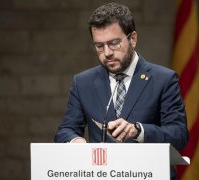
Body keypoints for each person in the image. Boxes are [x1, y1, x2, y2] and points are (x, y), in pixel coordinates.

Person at [54, 2, 189, 179]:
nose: (107, 52)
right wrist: (75, 141)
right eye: (99, 46)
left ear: (132, 39)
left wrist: (139, 131)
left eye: (114, 43)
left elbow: (179, 135)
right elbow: (65, 131)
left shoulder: (164, 79)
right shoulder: (83, 82)